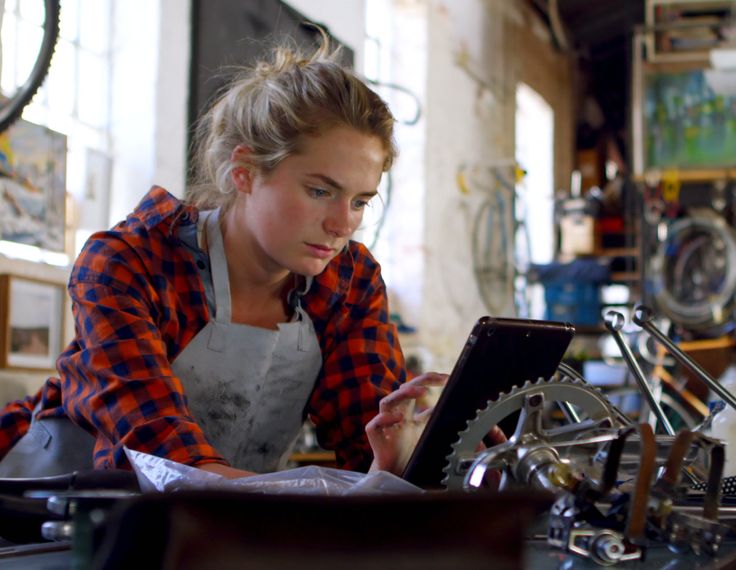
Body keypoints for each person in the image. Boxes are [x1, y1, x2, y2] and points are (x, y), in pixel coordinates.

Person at [0, 35, 442, 479]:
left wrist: (415, 445)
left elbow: (368, 437)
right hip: (45, 506)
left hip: (221, 514)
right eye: (320, 191)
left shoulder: (348, 282)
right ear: (244, 171)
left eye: (360, 201)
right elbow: (162, 454)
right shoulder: (129, 262)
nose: (342, 224)